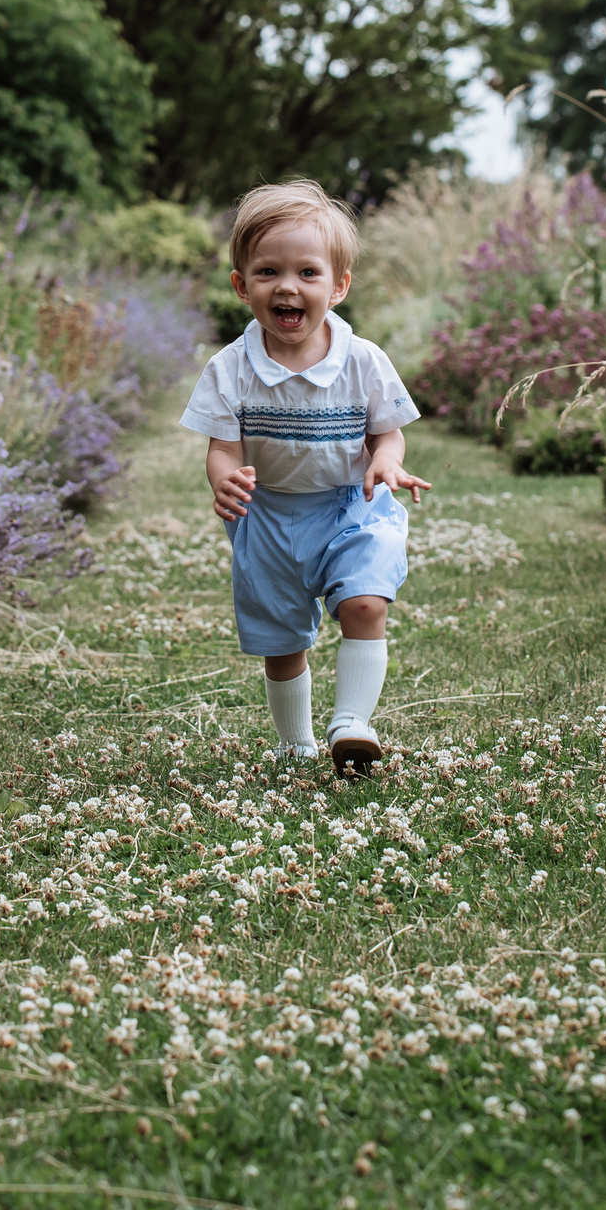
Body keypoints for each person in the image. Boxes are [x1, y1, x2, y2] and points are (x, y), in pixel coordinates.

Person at [182, 179, 430, 775]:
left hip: (353, 505)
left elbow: (387, 430)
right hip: (268, 516)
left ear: (338, 286)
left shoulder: (363, 360)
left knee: (366, 603)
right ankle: (296, 743)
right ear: (242, 286)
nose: (287, 286)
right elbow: (222, 447)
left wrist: (386, 460)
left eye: (308, 273)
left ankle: (352, 723)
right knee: (283, 642)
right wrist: (224, 480)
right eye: (268, 271)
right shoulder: (231, 368)